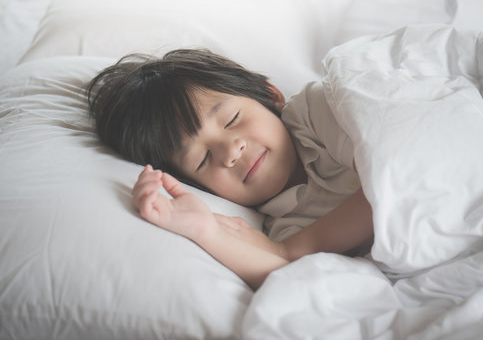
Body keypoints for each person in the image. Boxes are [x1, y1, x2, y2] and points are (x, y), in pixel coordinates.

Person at [87, 49, 374, 289]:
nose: (230, 153)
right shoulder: (282, 228)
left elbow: (395, 183)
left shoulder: (322, 110)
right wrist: (206, 232)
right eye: (202, 160)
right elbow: (289, 279)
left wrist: (291, 251)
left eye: (231, 119)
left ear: (270, 95)